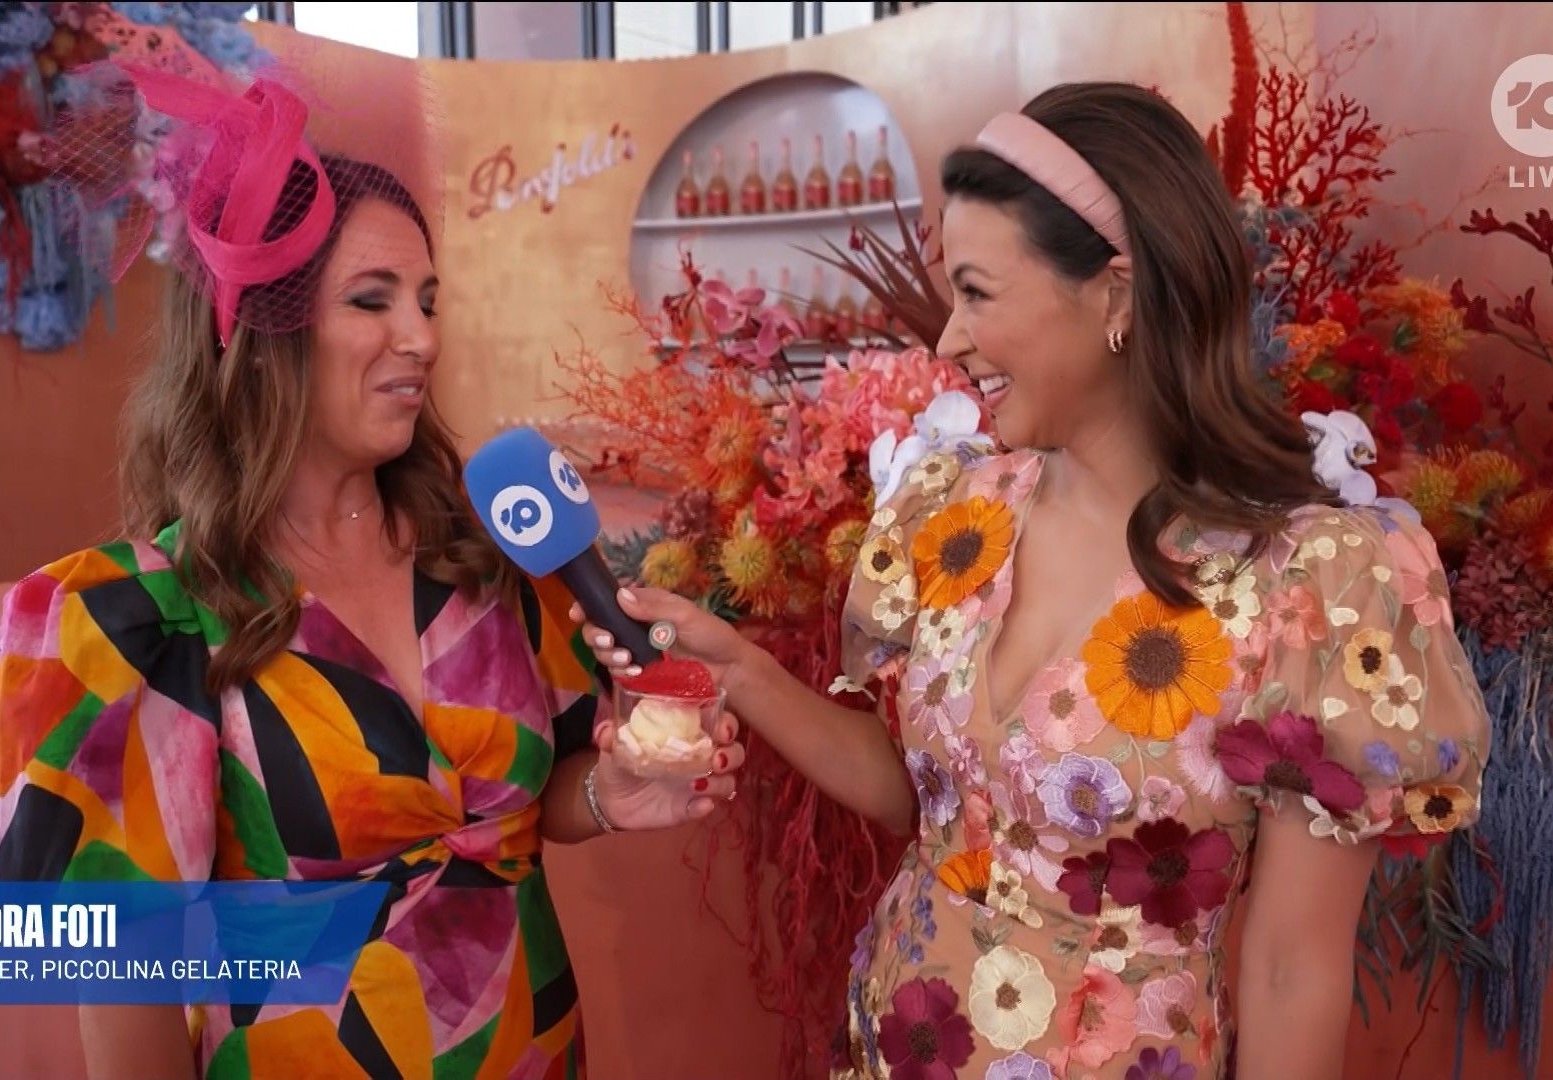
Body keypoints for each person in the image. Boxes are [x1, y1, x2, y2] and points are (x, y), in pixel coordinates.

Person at [571, 82, 1489, 1079]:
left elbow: (1289, 970)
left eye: (977, 292)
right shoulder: (953, 515)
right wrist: (740, 671)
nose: (947, 340)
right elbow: (920, 799)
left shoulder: (1312, 583)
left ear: (1117, 295)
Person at [0, 60, 741, 1080]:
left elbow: (536, 805)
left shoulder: (487, 549)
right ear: (262, 333)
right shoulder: (138, 618)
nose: (421, 338)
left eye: (426, 301)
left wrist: (612, 791)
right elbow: (128, 996)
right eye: (372, 301)